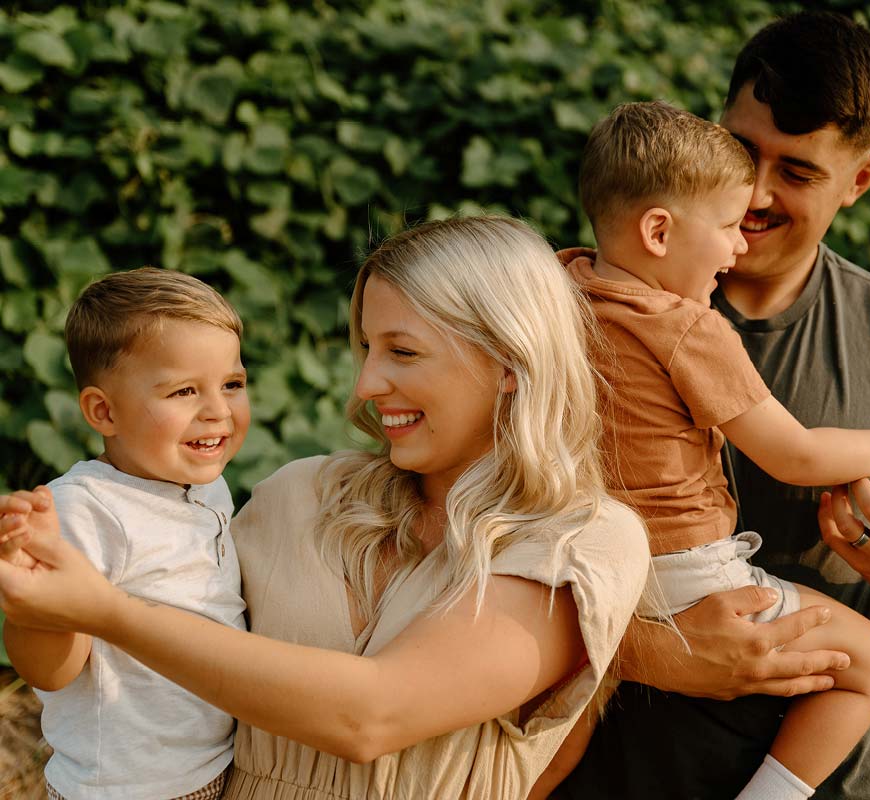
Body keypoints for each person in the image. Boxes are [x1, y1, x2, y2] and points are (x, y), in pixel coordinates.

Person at [0, 215, 651, 799]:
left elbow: (371, 718)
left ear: (510, 359)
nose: (366, 385)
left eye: (402, 351)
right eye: (366, 348)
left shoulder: (582, 543)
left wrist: (110, 613)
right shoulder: (299, 494)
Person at [555, 11, 870, 800]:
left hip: (847, 781)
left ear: (860, 181)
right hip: (627, 771)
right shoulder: (591, 309)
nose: (756, 193)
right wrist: (647, 650)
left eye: (796, 173)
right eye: (742, 150)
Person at [0, 268, 250, 800]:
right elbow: (50, 671)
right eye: (184, 390)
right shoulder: (85, 510)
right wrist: (31, 604)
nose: (218, 411)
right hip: (129, 785)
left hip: (211, 765)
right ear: (103, 411)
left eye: (232, 384)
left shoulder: (206, 486)